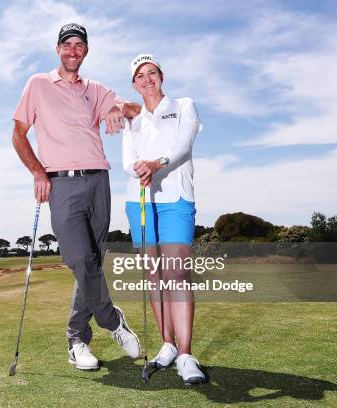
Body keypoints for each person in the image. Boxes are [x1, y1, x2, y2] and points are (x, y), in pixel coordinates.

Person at [12, 23, 142, 370]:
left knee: (92, 264)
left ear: (85, 51)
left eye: (79, 45)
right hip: (62, 184)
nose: (73, 50)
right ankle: (113, 321)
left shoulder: (96, 89)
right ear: (58, 50)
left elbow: (135, 110)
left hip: (98, 180)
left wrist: (117, 108)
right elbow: (19, 134)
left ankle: (77, 339)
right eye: (67, 44)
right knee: (80, 260)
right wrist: (38, 172)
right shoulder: (38, 84)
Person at [122, 53, 206, 385]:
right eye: (140, 75)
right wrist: (139, 168)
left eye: (152, 73)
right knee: (154, 277)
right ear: (134, 83)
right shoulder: (132, 119)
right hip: (139, 201)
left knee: (176, 275)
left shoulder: (184, 105)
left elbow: (184, 144)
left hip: (176, 198)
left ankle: (185, 354)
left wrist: (156, 163)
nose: (147, 79)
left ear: (161, 76)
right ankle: (167, 345)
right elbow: (128, 160)